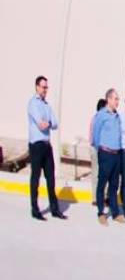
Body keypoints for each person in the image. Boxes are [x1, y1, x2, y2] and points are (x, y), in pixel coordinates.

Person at [26, 75, 65, 220]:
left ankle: (55, 209)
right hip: (36, 145)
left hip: (47, 146)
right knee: (35, 178)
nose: (45, 90)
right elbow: (41, 124)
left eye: (46, 87)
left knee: (51, 178)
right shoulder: (33, 103)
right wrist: (47, 122)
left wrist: (47, 122)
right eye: (43, 87)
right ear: (37, 87)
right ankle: (35, 209)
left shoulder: (47, 105)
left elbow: (55, 123)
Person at [91, 89, 125, 225]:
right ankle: (101, 212)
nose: (117, 102)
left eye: (118, 99)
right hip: (105, 153)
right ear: (108, 99)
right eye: (115, 99)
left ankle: (115, 213)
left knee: (114, 185)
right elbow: (95, 136)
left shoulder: (117, 116)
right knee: (102, 184)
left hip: (117, 154)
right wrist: (101, 150)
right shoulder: (101, 115)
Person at [89, 98, 107, 203]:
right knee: (96, 173)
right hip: (96, 149)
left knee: (103, 174)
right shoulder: (96, 119)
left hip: (102, 149)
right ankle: (95, 198)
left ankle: (102, 196)